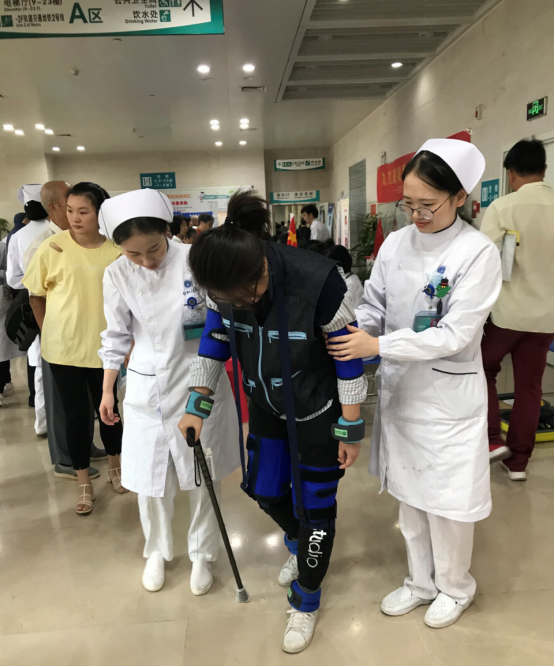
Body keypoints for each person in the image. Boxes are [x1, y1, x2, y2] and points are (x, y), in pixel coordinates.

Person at [179, 189, 368, 653]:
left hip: (317, 408)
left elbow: (348, 357)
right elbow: (215, 339)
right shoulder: (221, 288)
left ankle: (307, 598)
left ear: (261, 267)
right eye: (226, 298)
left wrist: (350, 426)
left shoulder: (317, 281)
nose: (240, 303)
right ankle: (302, 543)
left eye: (248, 293)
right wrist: (196, 402)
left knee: (316, 509)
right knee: (262, 489)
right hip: (264, 402)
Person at [327, 139, 502, 629]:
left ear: (460, 197)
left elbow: (455, 334)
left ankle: (455, 586)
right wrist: (352, 331)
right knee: (410, 498)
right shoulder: (397, 244)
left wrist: (378, 346)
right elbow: (375, 305)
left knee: (447, 504)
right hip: (403, 393)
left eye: (428, 205)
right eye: (409, 204)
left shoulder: (477, 253)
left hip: (447, 397)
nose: (417, 215)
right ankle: (420, 582)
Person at [97, 189, 240, 595]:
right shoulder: (116, 274)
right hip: (146, 386)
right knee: (150, 478)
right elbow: (115, 335)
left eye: (154, 249)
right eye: (133, 254)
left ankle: (202, 554)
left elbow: (221, 320)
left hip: (198, 375)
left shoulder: (196, 259)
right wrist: (107, 390)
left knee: (202, 474)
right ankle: (157, 551)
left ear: (167, 231)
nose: (146, 261)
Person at [24, 182, 124, 515]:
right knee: (76, 416)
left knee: (109, 411)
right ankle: (83, 481)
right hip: (63, 350)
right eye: (70, 211)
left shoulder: (116, 250)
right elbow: (36, 296)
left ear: (99, 213)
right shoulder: (52, 247)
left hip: (105, 349)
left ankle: (115, 467)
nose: (75, 218)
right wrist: (49, 332)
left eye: (83, 211)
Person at [481, 139, 554, 479]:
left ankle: (492, 440)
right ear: (544, 169)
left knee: (482, 370)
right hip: (545, 318)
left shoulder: (502, 207)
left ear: (510, 173)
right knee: (530, 387)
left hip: (505, 314)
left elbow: (483, 260)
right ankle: (518, 463)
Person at [7, 184, 49, 430]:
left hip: (34, 304)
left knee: (40, 367)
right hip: (62, 303)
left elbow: (13, 279)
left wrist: (33, 284)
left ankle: (42, 423)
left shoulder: (18, 236)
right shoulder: (58, 231)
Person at [0, 243, 25, 406]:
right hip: (2, 295)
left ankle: (4, 382)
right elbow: (9, 272)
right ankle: (4, 382)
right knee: (2, 346)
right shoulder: (2, 247)